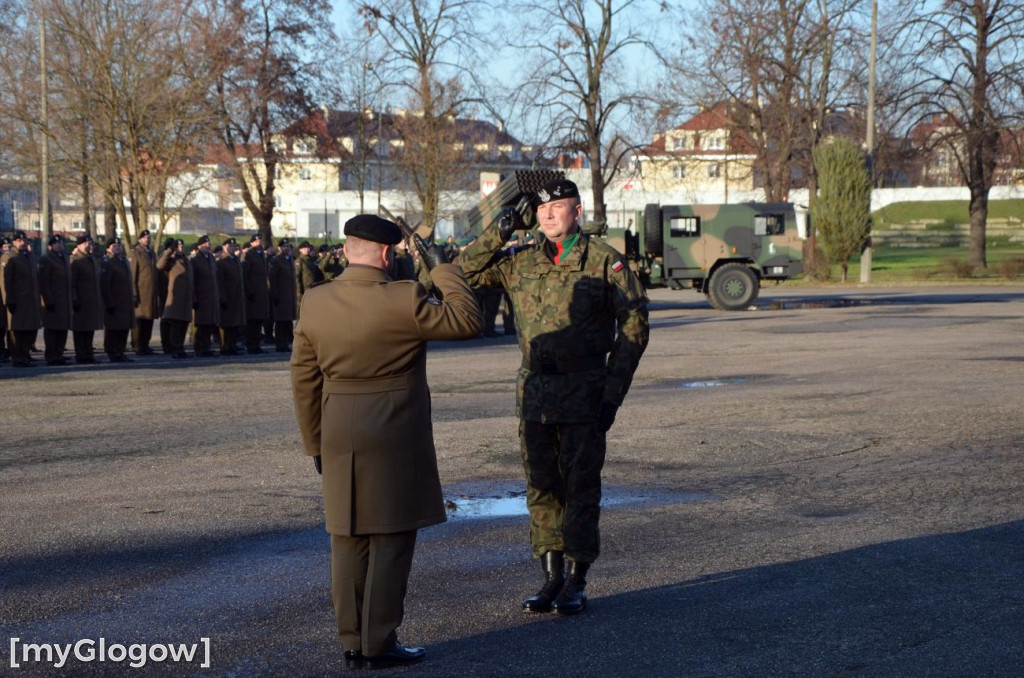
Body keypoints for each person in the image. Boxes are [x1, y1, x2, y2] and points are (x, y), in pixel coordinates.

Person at [290, 214, 482, 670]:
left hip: (339, 427)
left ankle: (352, 639)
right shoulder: (403, 297)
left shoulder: (315, 301)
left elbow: (303, 376)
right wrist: (443, 268)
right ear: (385, 254)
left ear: (347, 250)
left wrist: (315, 441)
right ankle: (379, 641)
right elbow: (467, 319)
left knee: (348, 535)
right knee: (391, 537)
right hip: (394, 429)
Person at [458, 178, 650, 615]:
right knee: (541, 487)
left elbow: (635, 328)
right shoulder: (519, 260)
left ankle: (578, 580)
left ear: (576, 212)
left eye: (557, 207)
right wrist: (500, 229)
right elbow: (461, 272)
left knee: (580, 487)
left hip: (585, 392)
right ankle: (551, 578)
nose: (547, 215)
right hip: (535, 394)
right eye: (541, 210)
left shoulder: (605, 262)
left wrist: (612, 392)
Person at [1, 230, 42, 367]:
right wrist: (9, 300)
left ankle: (25, 355)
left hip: (29, 299)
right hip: (17, 299)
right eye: (19, 240)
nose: (22, 243)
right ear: (14, 242)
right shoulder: (9, 257)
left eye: (24, 240)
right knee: (16, 330)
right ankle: (17, 357)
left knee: (29, 329)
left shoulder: (28, 256)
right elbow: (6, 281)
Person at [37, 234, 73, 365]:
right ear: (50, 246)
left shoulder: (64, 258)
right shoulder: (46, 259)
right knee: (52, 329)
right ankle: (51, 355)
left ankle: (59, 354)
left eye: (61, 243)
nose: (59, 246)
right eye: (56, 244)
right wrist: (48, 300)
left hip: (64, 300)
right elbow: (44, 282)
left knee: (62, 329)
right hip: (53, 300)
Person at [157, 238, 193, 359]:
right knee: (176, 325)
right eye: (178, 246)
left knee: (184, 325)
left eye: (182, 246)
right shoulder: (171, 261)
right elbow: (160, 265)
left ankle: (180, 348)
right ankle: (175, 349)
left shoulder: (186, 261)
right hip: (176, 298)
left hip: (186, 298)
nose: (181, 248)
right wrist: (169, 251)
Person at [100, 237, 134, 362]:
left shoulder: (123, 261)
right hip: (115, 301)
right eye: (114, 246)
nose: (117, 247)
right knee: (113, 328)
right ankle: (113, 352)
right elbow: (105, 285)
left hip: (124, 301)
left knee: (123, 328)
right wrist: (109, 303)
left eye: (119, 245)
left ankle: (120, 351)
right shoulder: (108, 262)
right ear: (108, 248)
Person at [70, 235, 102, 364]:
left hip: (91, 299)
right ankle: (81, 355)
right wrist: (74, 299)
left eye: (90, 243)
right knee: (80, 329)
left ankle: (89, 353)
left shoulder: (91, 259)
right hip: (81, 300)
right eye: (85, 244)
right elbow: (72, 283)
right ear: (78, 246)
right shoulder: (75, 261)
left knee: (89, 329)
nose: (89, 246)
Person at [129, 228, 161, 355]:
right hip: (141, 293)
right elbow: (133, 275)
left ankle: (145, 344)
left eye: (149, 238)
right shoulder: (135, 253)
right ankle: (137, 345)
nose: (147, 239)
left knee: (149, 320)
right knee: (139, 321)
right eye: (145, 238)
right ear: (140, 239)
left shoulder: (151, 253)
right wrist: (134, 293)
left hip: (151, 293)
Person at [191, 235, 221, 357]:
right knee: (201, 324)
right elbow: (193, 280)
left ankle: (206, 347)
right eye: (205, 244)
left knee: (209, 324)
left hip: (211, 297)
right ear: (199, 246)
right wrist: (194, 298)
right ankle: (199, 348)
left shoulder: (211, 259)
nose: (208, 246)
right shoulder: (195, 260)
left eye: (209, 244)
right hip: (201, 297)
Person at [216, 237, 245, 355]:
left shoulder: (236, 260)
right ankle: (225, 346)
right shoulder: (222, 262)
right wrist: (222, 297)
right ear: (224, 247)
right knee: (226, 324)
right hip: (227, 296)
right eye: (230, 246)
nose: (232, 248)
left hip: (236, 297)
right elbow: (220, 282)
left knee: (235, 324)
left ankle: (232, 345)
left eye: (234, 246)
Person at [241, 234, 269, 354]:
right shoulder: (249, 255)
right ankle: (251, 345)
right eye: (256, 241)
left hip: (261, 293)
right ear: (251, 243)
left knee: (259, 320)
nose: (259, 242)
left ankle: (256, 344)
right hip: (253, 293)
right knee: (252, 321)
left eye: (260, 240)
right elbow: (245, 275)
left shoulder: (261, 254)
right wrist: (249, 291)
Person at [267, 238, 296, 352]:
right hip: (281, 295)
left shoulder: (290, 260)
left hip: (289, 296)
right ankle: (280, 344)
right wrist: (275, 295)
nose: (287, 248)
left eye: (288, 246)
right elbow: (272, 279)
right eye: (284, 246)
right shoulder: (276, 260)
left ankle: (285, 343)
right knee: (280, 321)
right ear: (279, 248)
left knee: (287, 321)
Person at [294, 240, 323, 310]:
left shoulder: (309, 260)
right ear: (300, 250)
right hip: (304, 291)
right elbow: (297, 278)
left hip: (311, 290)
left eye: (308, 247)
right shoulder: (299, 261)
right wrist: (299, 293)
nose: (308, 249)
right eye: (305, 248)